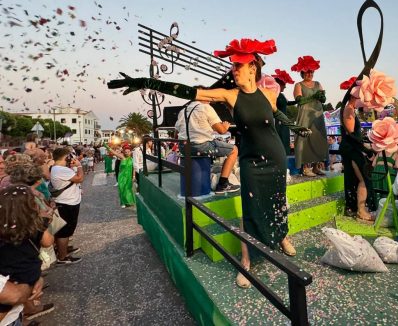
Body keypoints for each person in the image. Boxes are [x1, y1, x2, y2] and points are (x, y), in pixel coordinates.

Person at [108, 37, 310, 288]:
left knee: (278, 200)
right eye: (233, 66)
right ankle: (246, 262)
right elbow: (190, 91)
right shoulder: (230, 95)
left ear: (252, 69)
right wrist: (145, 82)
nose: (233, 70)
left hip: (275, 156)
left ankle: (282, 237)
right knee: (250, 207)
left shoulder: (269, 93)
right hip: (250, 160)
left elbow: (277, 114)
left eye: (238, 66)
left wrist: (297, 128)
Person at [0, 185, 55, 321]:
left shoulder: (4, 230)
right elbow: (14, 296)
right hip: (10, 307)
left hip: (13, 309)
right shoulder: (34, 227)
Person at [174, 93, 240, 195]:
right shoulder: (206, 108)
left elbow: (176, 132)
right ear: (201, 96)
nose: (210, 99)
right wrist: (226, 126)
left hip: (183, 147)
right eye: (208, 96)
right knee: (234, 150)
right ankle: (222, 184)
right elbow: (221, 131)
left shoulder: (183, 111)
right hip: (201, 146)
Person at [339, 90, 375, 221]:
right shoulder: (348, 109)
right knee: (363, 178)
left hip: (353, 148)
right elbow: (351, 134)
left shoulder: (350, 109)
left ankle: (357, 208)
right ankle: (360, 210)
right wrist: (366, 149)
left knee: (357, 178)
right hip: (352, 149)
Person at [291, 56, 328, 176]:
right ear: (302, 73)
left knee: (318, 139)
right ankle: (306, 168)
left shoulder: (318, 84)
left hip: (317, 115)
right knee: (304, 139)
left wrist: (322, 97)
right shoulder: (298, 85)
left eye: (311, 71)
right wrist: (314, 97)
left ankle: (317, 167)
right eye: (307, 71)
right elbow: (299, 100)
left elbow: (323, 99)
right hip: (305, 115)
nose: (310, 73)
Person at [50, 147, 83, 264]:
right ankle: (62, 257)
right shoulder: (61, 170)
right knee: (65, 231)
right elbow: (79, 178)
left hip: (66, 201)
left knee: (67, 230)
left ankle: (63, 249)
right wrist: (79, 166)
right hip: (68, 203)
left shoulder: (57, 168)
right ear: (66, 157)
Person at [271, 69, 295, 156]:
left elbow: (288, 103)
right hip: (278, 122)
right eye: (284, 85)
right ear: (279, 84)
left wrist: (298, 101)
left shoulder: (281, 95)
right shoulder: (273, 94)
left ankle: (284, 159)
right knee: (279, 140)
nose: (285, 87)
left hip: (284, 122)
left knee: (285, 140)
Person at [105, 143, 135, 208]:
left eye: (128, 152)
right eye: (126, 152)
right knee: (122, 189)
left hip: (129, 176)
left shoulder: (132, 159)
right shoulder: (122, 157)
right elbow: (114, 153)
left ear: (130, 152)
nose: (127, 153)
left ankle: (129, 201)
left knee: (128, 189)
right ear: (124, 152)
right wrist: (107, 147)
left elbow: (134, 168)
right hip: (122, 176)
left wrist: (134, 176)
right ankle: (123, 203)